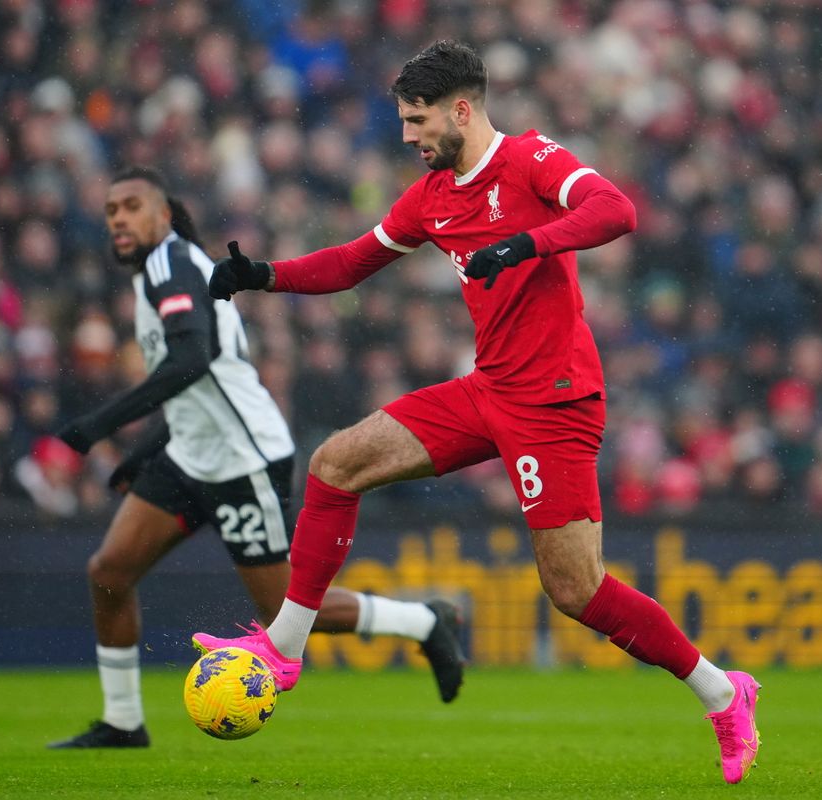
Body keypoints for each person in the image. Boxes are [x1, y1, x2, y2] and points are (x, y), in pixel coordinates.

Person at [193, 41, 760, 784]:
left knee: (575, 591)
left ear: (462, 109)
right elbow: (352, 261)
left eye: (417, 119)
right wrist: (262, 276)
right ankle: (284, 648)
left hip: (554, 401)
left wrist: (526, 243)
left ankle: (723, 692)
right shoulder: (431, 195)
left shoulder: (531, 160)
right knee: (335, 464)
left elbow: (615, 210)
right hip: (488, 389)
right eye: (403, 121)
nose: (407, 136)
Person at [47, 166, 466, 749]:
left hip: (243, 461)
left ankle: (423, 622)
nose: (118, 218)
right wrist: (146, 452)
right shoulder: (158, 271)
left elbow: (194, 358)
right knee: (109, 572)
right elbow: (203, 382)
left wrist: (100, 425)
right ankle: (122, 721)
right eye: (112, 209)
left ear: (163, 215)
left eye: (132, 206)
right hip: (190, 455)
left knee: (283, 615)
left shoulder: (171, 264)